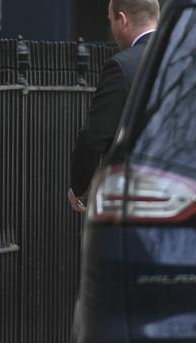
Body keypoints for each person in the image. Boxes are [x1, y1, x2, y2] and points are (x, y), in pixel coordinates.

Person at [68, 0, 159, 212]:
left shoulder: (122, 67)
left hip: (135, 195)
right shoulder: (188, 60)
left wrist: (77, 186)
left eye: (111, 20)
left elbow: (94, 136)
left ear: (123, 20)